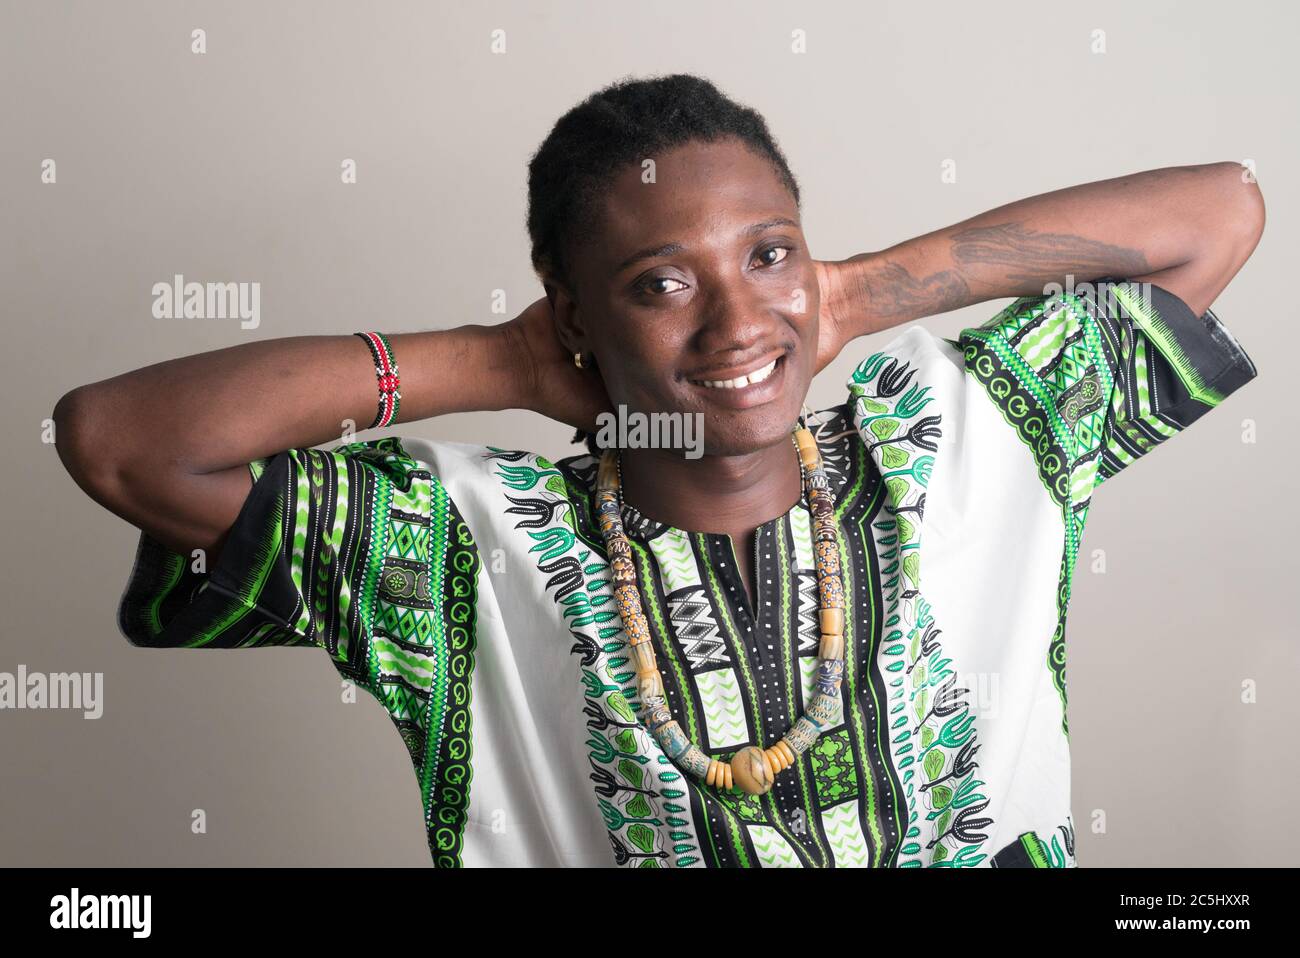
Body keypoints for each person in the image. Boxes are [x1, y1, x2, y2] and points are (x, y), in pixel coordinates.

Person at [53, 74, 1263, 868]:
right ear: (577, 309)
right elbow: (121, 436)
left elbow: (1219, 210)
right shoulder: (473, 547)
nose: (737, 323)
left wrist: (849, 294)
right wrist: (507, 359)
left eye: (769, 253)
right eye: (661, 281)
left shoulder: (963, 445)